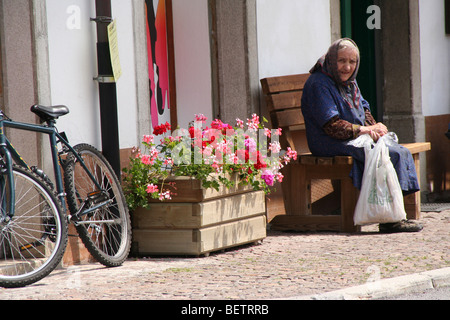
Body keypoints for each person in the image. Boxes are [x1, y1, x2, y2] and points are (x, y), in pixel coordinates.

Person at [301, 38, 423, 233]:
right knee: (384, 154)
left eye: (352, 62)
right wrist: (362, 130)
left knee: (397, 150)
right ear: (332, 60)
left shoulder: (349, 81)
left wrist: (374, 127)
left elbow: (363, 108)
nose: (347, 67)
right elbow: (331, 126)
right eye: (342, 61)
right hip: (327, 141)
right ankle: (390, 219)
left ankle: (396, 213)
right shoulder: (319, 83)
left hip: (352, 137)